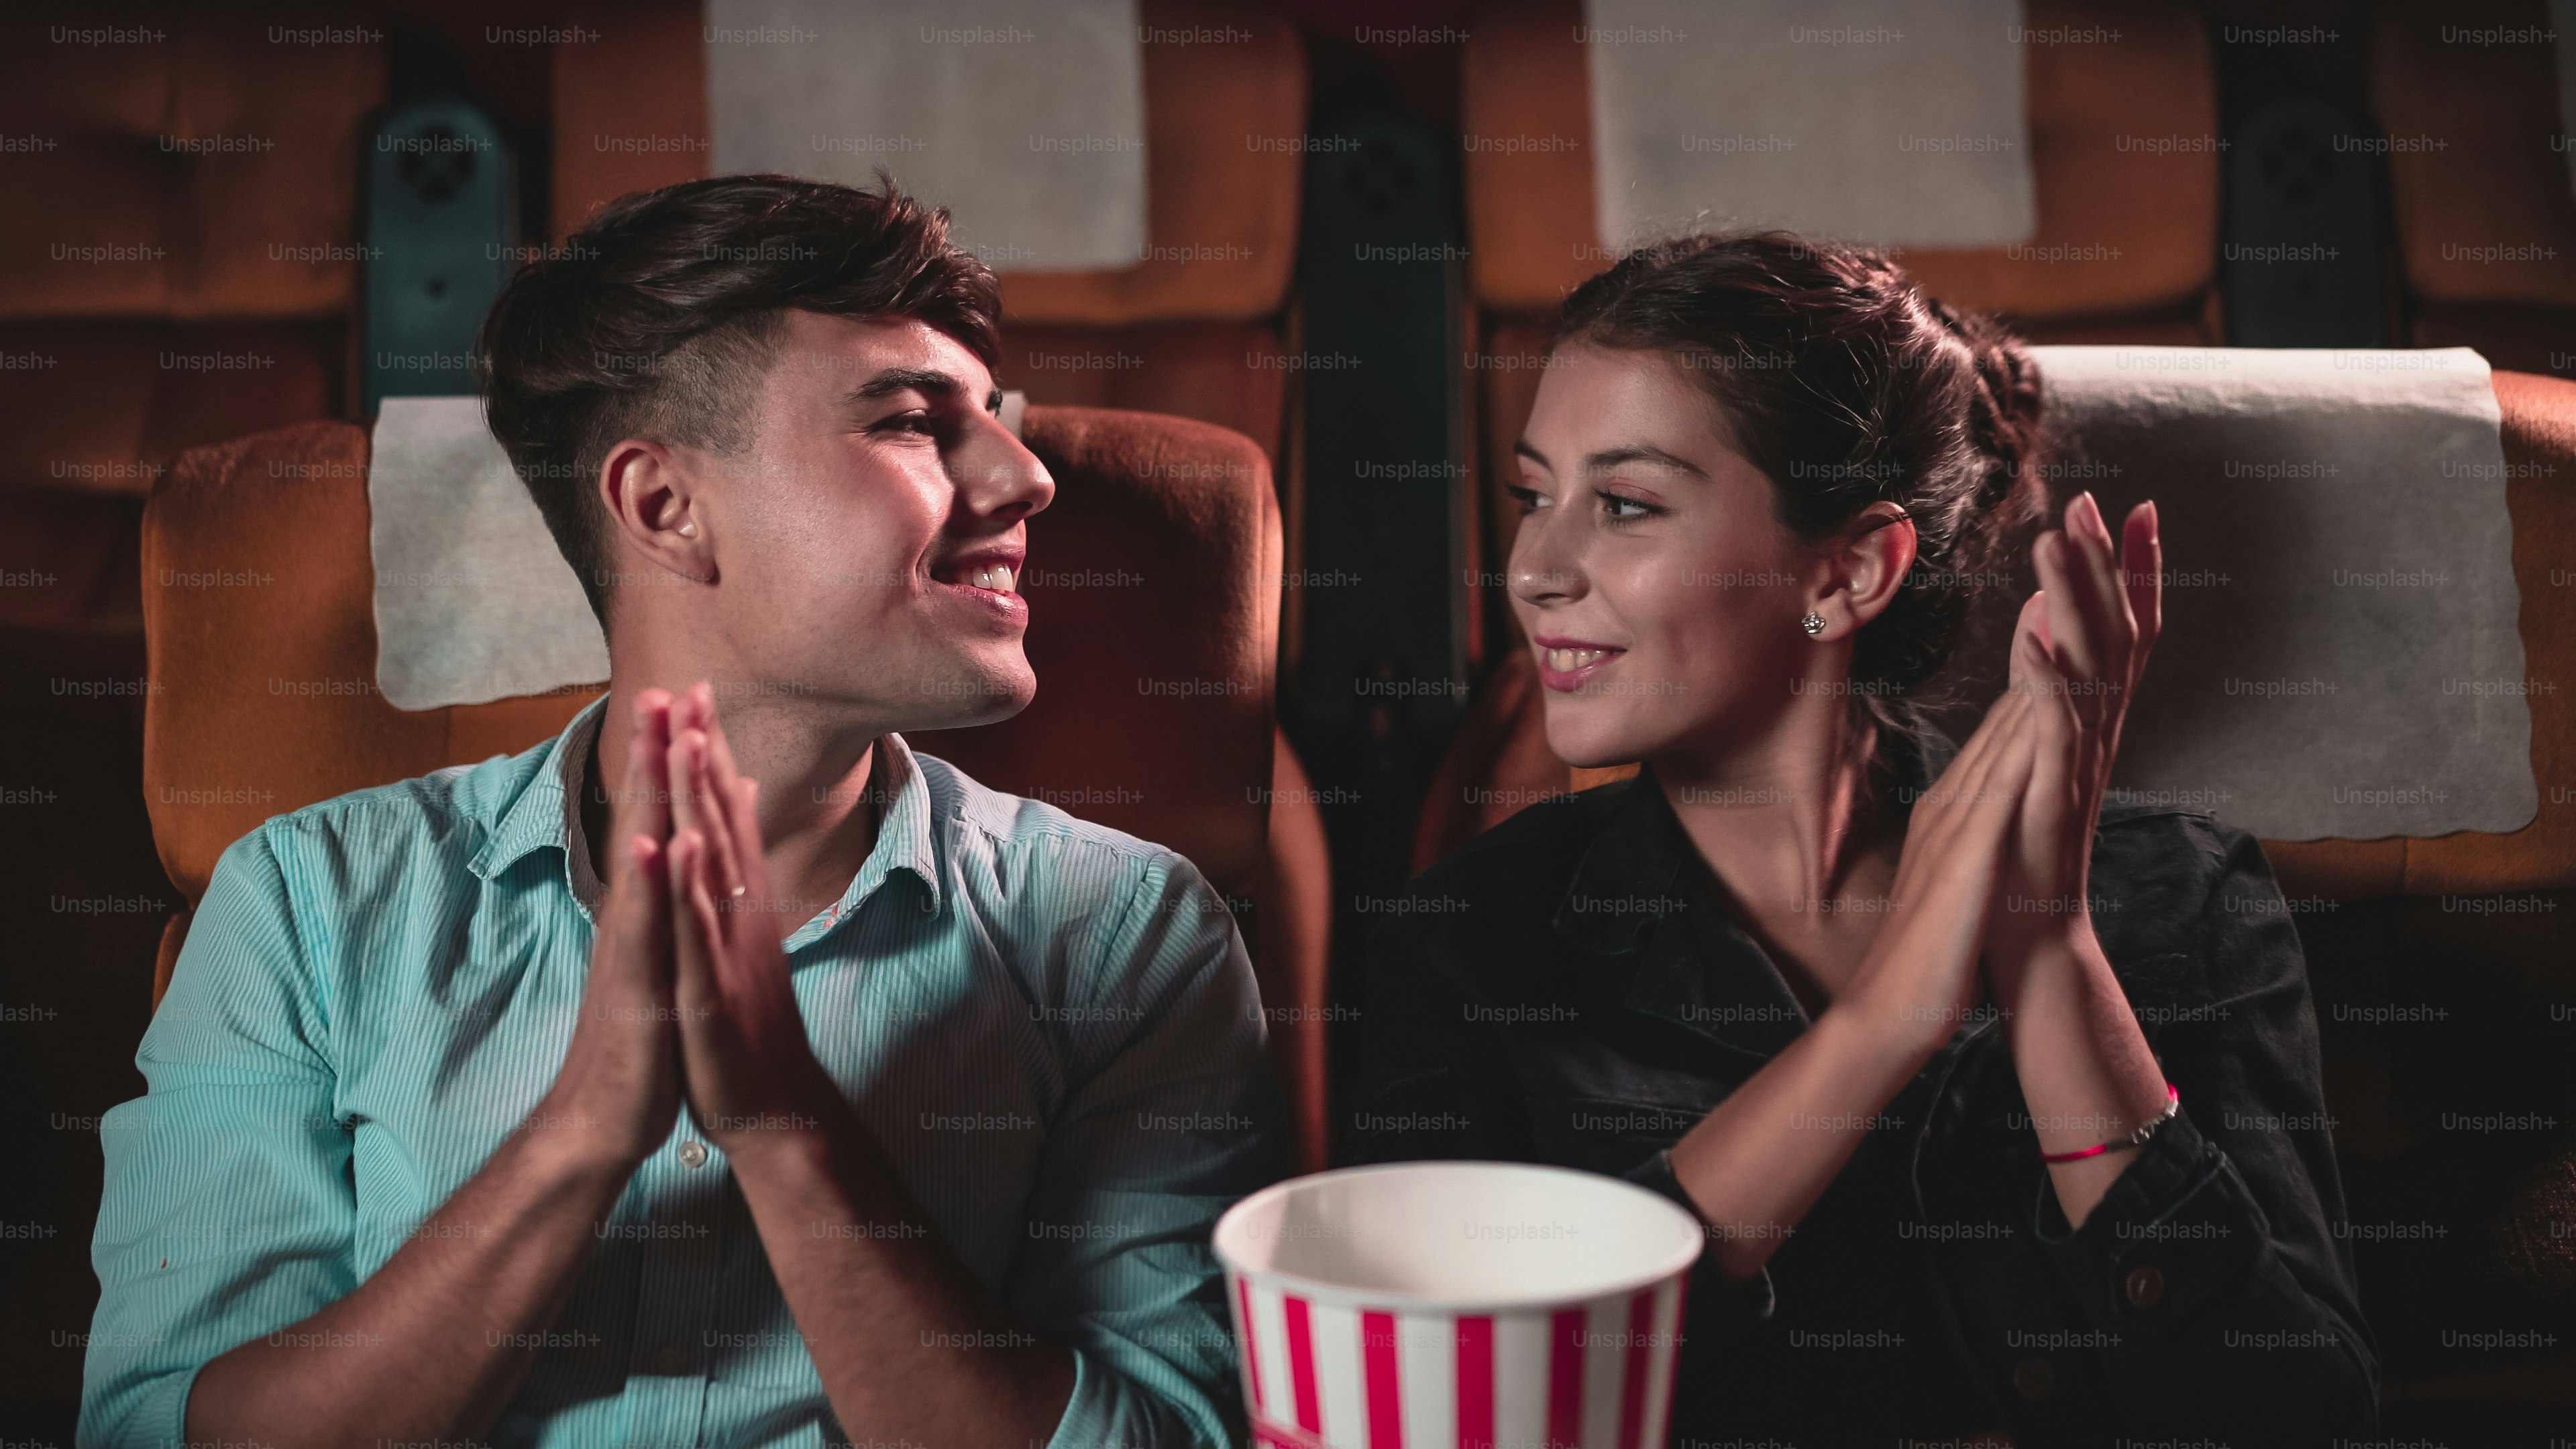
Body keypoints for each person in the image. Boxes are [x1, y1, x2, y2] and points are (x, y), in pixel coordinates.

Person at [81, 176, 1285, 1449]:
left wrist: (785, 1126)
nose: (1027, 476)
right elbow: (159, 1430)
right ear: (666, 508)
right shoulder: (306, 904)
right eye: (911, 421)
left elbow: (1170, 1435)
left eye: (991, 416)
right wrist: (580, 1136)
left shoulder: (1126, 933)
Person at [1337, 233, 2377, 1444]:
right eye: (1534, 497)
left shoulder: (2182, 897)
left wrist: (2049, 958)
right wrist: (1879, 1028)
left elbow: (2304, 1422)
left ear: (1849, 572)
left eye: (1623, 506)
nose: (1532, 571)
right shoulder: (1467, 944)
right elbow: (1446, 1406)